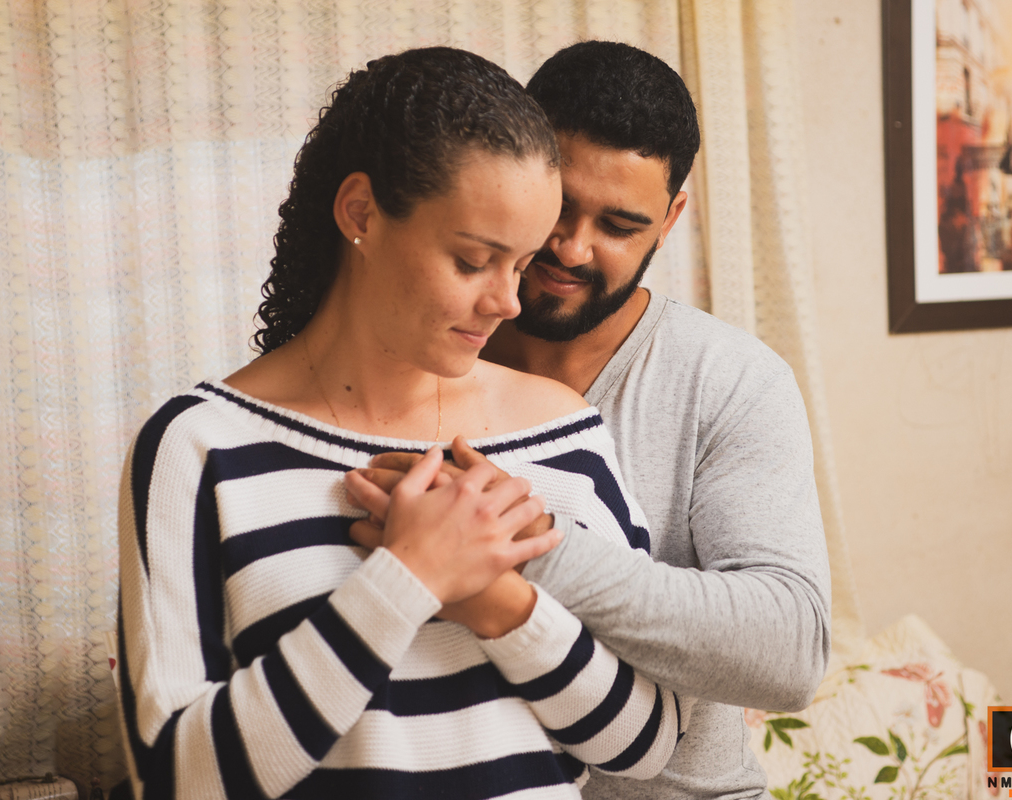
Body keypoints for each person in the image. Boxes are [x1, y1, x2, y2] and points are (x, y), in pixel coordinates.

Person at [115, 47, 687, 800]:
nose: (509, 303)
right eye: (473, 260)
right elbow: (175, 778)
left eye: (519, 264)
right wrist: (407, 580)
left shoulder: (563, 433)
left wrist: (499, 604)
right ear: (361, 212)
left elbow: (645, 743)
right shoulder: (199, 448)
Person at [348, 41, 832, 799]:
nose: (572, 248)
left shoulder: (731, 381)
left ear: (671, 219)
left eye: (619, 224)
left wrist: (517, 545)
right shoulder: (412, 357)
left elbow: (790, 650)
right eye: (561, 207)